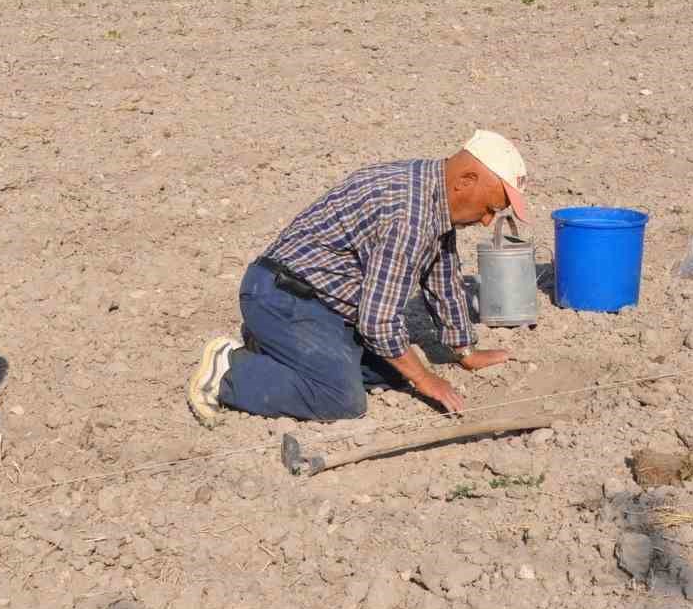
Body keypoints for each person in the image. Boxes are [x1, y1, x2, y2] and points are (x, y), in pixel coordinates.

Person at [187, 130, 530, 426]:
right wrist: (427, 379)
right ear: (465, 181)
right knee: (341, 399)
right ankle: (227, 372)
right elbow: (379, 322)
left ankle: (275, 347)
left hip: (316, 302)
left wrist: (463, 349)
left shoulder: (429, 188)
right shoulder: (409, 216)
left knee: (392, 373)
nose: (487, 222)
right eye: (489, 209)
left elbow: (441, 273)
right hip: (281, 296)